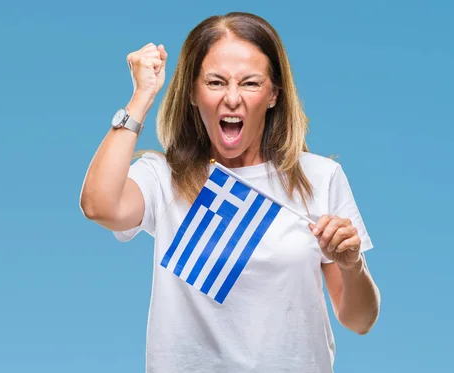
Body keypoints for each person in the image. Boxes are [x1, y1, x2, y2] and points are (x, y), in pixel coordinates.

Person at [80, 11, 380, 373]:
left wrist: (352, 264)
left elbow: (359, 320)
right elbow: (99, 205)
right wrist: (142, 96)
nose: (232, 99)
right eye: (215, 82)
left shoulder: (320, 177)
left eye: (250, 83)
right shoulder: (163, 178)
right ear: (192, 92)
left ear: (273, 94)